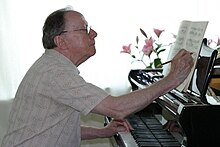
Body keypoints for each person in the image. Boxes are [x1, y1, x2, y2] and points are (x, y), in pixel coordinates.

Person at [1, 6, 194, 147]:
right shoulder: (55, 72)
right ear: (61, 41)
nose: (93, 33)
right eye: (84, 29)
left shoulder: (52, 66)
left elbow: (54, 128)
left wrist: (103, 131)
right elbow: (116, 108)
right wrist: (173, 79)